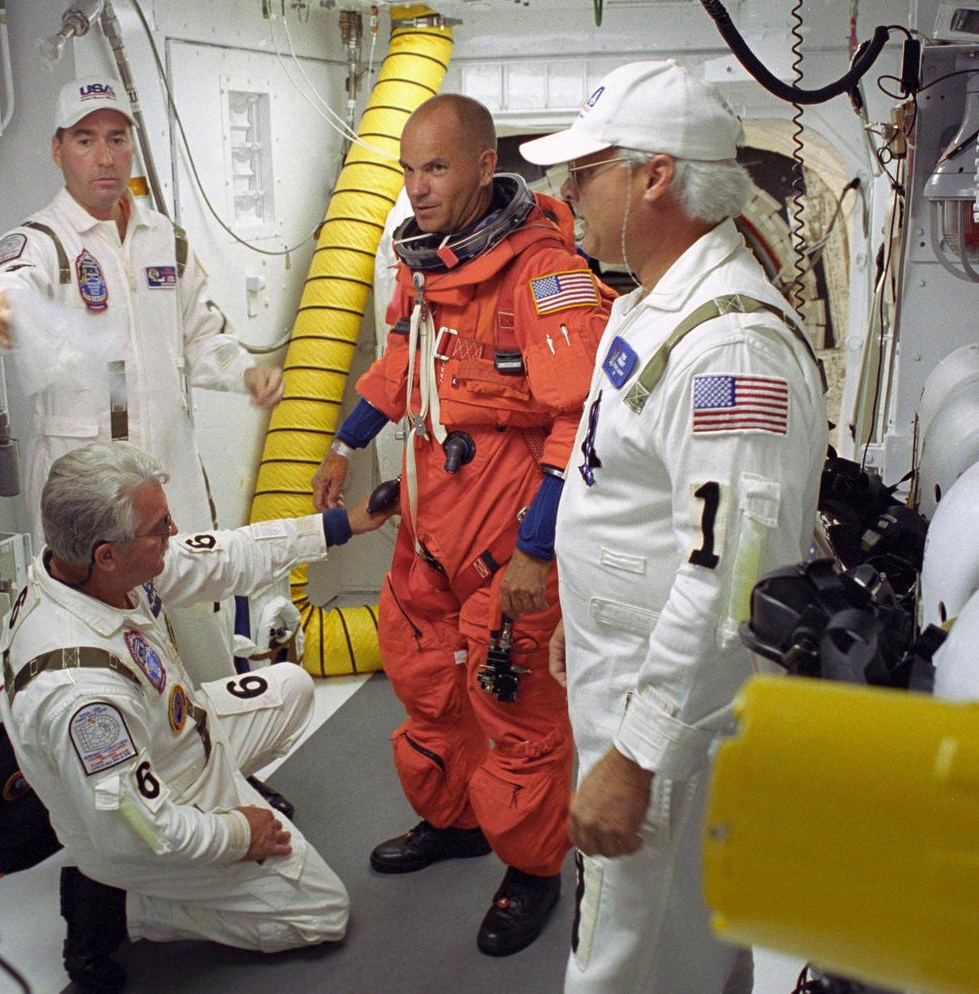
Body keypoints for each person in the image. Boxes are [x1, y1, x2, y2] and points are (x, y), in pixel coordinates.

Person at [520, 60, 829, 993]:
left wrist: (636, 758)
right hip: (629, 673)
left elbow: (728, 577)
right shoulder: (653, 303)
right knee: (671, 947)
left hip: (670, 722)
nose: (565, 192)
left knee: (617, 956)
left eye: (585, 171)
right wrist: (583, 607)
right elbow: (633, 497)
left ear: (656, 176)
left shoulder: (729, 349)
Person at [310, 93, 611, 956]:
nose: (418, 187)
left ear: (485, 165)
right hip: (427, 529)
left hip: (507, 541)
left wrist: (536, 550)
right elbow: (399, 367)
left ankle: (534, 869)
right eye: (408, 169)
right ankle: (454, 822)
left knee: (517, 713)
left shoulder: (543, 274)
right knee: (424, 684)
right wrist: (345, 444)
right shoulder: (422, 269)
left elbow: (581, 419)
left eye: (436, 167)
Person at [0, 441, 394, 993]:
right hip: (144, 819)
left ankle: (226, 800)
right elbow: (142, 827)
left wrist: (339, 525)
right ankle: (119, 906)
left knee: (292, 687)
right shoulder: (82, 697)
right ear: (107, 554)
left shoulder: (88, 568)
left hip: (179, 737)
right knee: (322, 914)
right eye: (160, 527)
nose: (174, 532)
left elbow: (223, 555)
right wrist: (238, 834)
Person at [0, 75, 283, 687]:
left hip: (167, 465)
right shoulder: (41, 241)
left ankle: (217, 730)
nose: (104, 156)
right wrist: (1, 312)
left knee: (199, 611)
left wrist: (245, 371)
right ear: (58, 149)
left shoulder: (163, 239)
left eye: (117, 139)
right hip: (82, 481)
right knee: (96, 626)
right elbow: (0, 288)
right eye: (85, 140)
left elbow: (203, 335)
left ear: (132, 147)